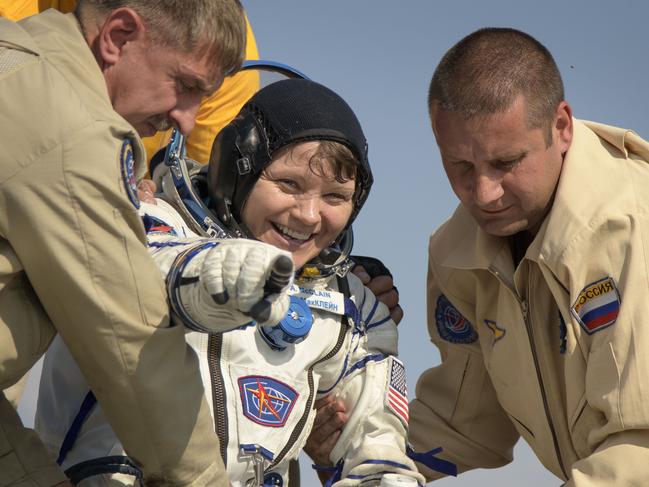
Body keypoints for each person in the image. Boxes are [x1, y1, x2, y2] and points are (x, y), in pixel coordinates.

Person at [35, 78, 426, 487]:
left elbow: (379, 455)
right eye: (289, 184)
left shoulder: (352, 308)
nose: (310, 215)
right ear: (234, 168)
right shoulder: (145, 225)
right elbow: (156, 274)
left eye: (335, 196)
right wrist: (240, 277)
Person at [0, 2, 293, 486]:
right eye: (185, 86)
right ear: (117, 35)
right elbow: (128, 339)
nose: (188, 121)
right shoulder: (71, 132)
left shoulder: (22, 56)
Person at [404, 28, 649, 486]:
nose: (484, 193)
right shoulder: (456, 252)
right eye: (460, 166)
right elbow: (465, 423)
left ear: (561, 127)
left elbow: (639, 452)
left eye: (506, 162)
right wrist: (351, 449)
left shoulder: (636, 226)